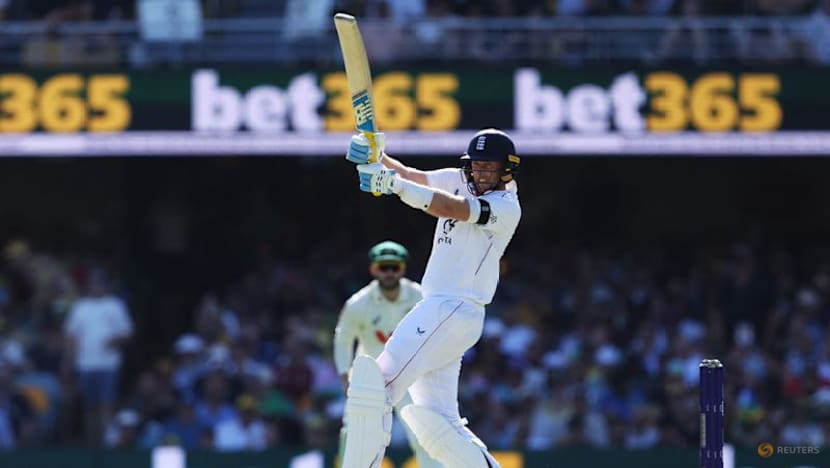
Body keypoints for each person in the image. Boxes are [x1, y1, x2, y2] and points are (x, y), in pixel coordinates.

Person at [340, 128, 521, 467]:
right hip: (442, 311)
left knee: (376, 386)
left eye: (490, 166)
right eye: (477, 165)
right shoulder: (458, 178)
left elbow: (451, 207)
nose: (481, 173)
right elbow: (412, 176)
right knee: (438, 423)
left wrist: (393, 185)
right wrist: (378, 157)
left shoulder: (506, 206)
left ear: (507, 169)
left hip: (452, 308)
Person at [333, 241, 438, 467]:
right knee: (355, 438)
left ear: (403, 269)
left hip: (411, 378)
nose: (389, 273)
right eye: (383, 267)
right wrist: (344, 374)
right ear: (373, 269)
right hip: (370, 379)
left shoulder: (420, 297)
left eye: (394, 267)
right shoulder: (358, 304)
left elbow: (437, 332)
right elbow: (343, 338)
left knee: (424, 435)